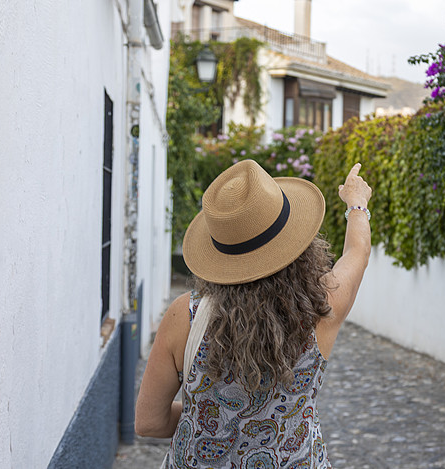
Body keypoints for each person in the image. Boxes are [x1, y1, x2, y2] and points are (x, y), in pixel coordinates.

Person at [135, 159, 372, 468]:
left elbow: (149, 423)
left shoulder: (185, 316)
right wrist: (356, 202)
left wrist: (215, 421)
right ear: (297, 241)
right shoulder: (323, 306)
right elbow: (357, 252)